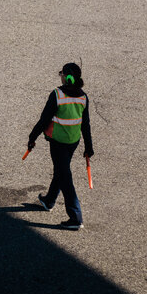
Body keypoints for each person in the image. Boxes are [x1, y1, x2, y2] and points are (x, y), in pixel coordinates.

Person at [27, 62, 94, 230]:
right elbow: (85, 124)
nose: (61, 76)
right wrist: (88, 146)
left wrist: (32, 137)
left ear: (67, 77)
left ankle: (75, 217)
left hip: (58, 143)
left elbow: (44, 120)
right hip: (73, 142)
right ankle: (49, 200)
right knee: (61, 169)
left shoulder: (57, 95)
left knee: (65, 176)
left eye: (61, 74)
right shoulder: (83, 97)